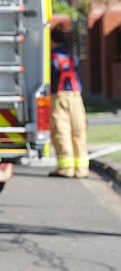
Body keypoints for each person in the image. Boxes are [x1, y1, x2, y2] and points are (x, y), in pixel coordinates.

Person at [49, 27, 89, 178]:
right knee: (79, 130)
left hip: (59, 96)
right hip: (76, 96)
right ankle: (81, 169)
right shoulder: (72, 55)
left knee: (61, 131)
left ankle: (66, 168)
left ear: (52, 40)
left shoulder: (52, 57)